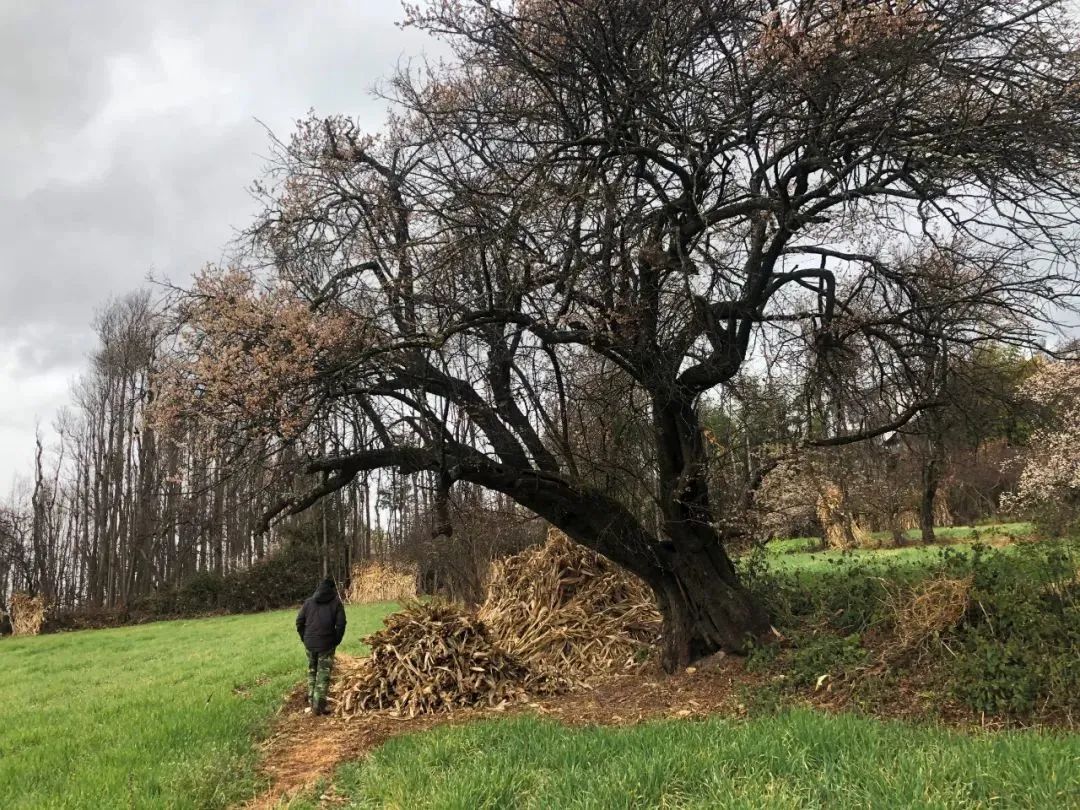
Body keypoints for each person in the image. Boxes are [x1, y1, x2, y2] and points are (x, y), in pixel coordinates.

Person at [295, 577, 347, 716]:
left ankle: (312, 702)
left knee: (312, 670)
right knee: (323, 674)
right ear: (332, 589)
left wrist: (304, 638)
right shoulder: (336, 603)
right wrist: (336, 640)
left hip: (310, 643)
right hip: (327, 643)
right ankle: (318, 707)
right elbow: (341, 624)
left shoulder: (308, 602)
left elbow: (299, 622)